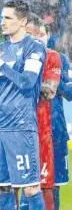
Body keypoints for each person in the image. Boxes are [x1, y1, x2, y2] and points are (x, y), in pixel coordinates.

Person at [0, 0, 47, 210]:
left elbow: (27, 83)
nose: (2, 22)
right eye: (2, 17)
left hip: (21, 128)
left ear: (23, 21)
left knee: (30, 188)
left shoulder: (34, 47)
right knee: (3, 188)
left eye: (8, 18)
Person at [21, 13, 62, 210]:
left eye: (28, 34)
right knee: (15, 187)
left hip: (41, 130)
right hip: (16, 130)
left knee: (46, 187)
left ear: (38, 35)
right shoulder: (13, 53)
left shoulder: (53, 56)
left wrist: (24, 78)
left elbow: (49, 92)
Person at [49, 28, 72, 210]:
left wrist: (54, 81)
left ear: (47, 35)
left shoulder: (61, 60)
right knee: (27, 187)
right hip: (27, 132)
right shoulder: (22, 58)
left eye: (41, 33)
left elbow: (71, 93)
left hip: (55, 132)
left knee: (54, 185)